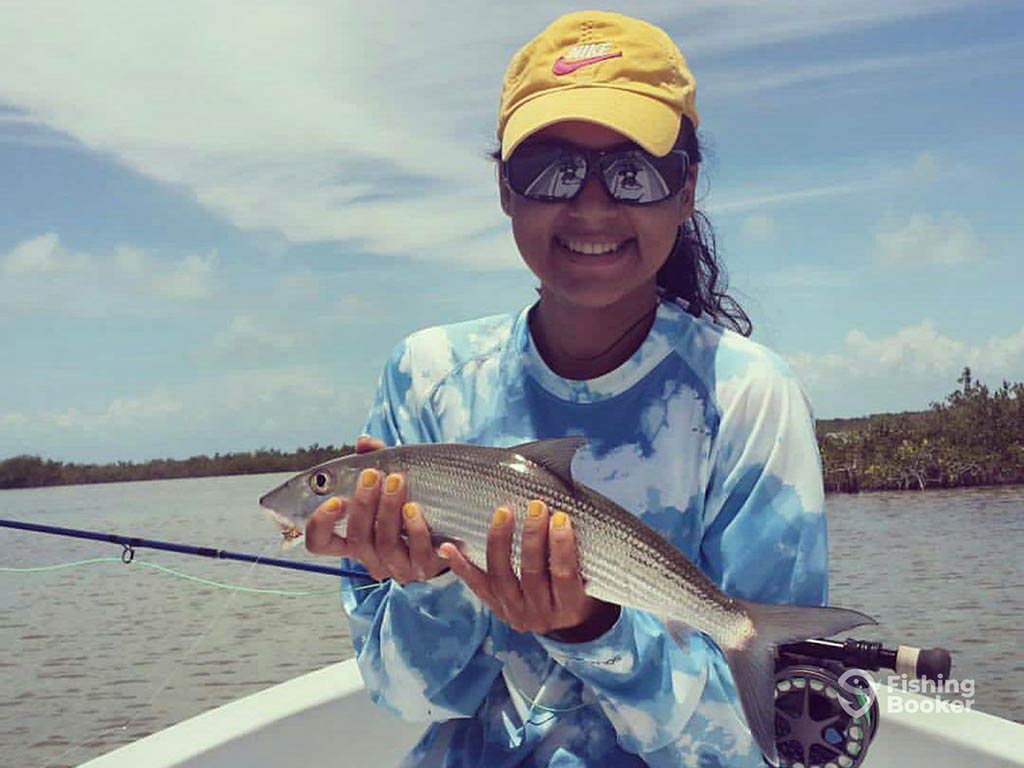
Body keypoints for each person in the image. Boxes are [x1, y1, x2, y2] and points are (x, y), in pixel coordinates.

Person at [305, 10, 828, 767]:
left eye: (633, 171)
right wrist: (430, 585)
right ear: (505, 190)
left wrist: (595, 629)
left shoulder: (747, 397)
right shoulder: (424, 376)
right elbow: (403, 698)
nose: (590, 206)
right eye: (549, 168)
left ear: (685, 192)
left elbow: (757, 739)